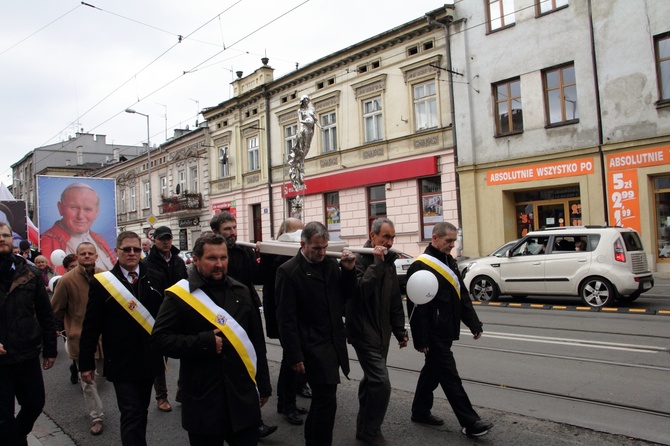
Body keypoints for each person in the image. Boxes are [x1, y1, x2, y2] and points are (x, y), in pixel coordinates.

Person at [152, 232, 272, 446]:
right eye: (211, 258)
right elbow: (160, 339)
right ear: (196, 260)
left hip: (241, 396)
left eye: (223, 258)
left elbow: (256, 341)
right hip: (203, 398)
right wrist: (202, 343)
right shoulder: (179, 296)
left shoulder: (241, 291)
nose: (219, 264)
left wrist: (263, 384)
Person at [406, 222, 493, 437]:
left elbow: (461, 295)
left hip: (447, 328)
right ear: (435, 238)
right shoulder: (421, 266)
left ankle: (419, 410)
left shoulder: (449, 261)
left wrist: (474, 323)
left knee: (432, 372)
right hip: (433, 333)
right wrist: (421, 339)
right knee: (449, 376)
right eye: (448, 241)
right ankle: (470, 422)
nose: (452, 245)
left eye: (454, 241)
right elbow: (416, 307)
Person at [78, 231, 165, 446]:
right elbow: (91, 326)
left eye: (136, 249)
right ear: (117, 251)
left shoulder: (155, 278)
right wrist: (86, 363)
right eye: (127, 249)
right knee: (131, 413)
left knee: (141, 411)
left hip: (148, 359)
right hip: (120, 361)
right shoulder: (103, 283)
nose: (132, 253)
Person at [276, 221, 357, 446]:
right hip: (310, 345)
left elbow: (345, 296)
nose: (322, 252)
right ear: (303, 244)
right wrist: (294, 355)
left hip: (331, 342)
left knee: (324, 401)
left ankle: (313, 440)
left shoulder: (330, 265)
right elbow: (286, 319)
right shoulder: (289, 271)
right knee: (327, 401)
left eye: (324, 247)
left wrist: (349, 271)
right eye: (317, 249)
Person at [209, 211, 277, 438]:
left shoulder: (243, 251)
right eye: (227, 229)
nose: (233, 233)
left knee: (253, 359)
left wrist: (264, 257)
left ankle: (253, 421)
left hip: (247, 312)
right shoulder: (212, 253)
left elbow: (257, 278)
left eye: (234, 228)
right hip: (223, 315)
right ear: (216, 232)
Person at [347, 218, 408, 445]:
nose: (390, 242)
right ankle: (371, 431)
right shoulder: (358, 259)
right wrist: (379, 263)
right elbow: (360, 291)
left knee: (371, 380)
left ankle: (363, 428)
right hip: (363, 333)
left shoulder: (388, 262)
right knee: (381, 382)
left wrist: (400, 331)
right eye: (386, 237)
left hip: (382, 333)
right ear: (372, 236)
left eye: (392, 237)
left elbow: (394, 300)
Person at [0, 221, 58, 446]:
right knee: (3, 417)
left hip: (26, 354)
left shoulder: (30, 273)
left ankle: (16, 436)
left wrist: (50, 350)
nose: (2, 239)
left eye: (5, 235)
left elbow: (45, 314)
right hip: (1, 362)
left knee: (35, 404)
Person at [51, 242, 105, 436]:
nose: (87, 256)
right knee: (88, 382)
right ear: (77, 256)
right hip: (80, 339)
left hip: (104, 339)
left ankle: (94, 407)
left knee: (101, 379)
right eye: (83, 253)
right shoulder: (66, 281)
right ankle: (96, 417)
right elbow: (55, 309)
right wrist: (66, 328)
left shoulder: (105, 277)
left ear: (96, 256)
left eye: (91, 253)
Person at [259, 217, 309, 426]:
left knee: (293, 358)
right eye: (295, 231)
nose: (298, 235)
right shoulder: (276, 253)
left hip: (295, 315)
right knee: (290, 360)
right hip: (285, 316)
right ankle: (286, 404)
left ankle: (290, 398)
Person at [140, 226, 187, 413]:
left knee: (187, 352)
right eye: (162, 239)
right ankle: (161, 396)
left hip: (181, 313)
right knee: (159, 357)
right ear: (154, 240)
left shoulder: (178, 261)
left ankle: (182, 391)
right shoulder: (147, 263)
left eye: (168, 238)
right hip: (158, 315)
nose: (166, 242)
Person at [40, 182, 115, 273]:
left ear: (96, 212)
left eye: (88, 209)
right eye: (74, 208)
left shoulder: (99, 240)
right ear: (61, 208)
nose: (80, 216)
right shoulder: (47, 240)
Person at [288, 95, 321, 190]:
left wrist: (320, 126)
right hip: (304, 128)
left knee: (308, 146)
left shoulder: (311, 110)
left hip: (311, 129)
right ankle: (299, 162)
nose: (306, 101)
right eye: (305, 100)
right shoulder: (300, 111)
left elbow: (315, 120)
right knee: (303, 145)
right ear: (303, 101)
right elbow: (300, 120)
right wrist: (307, 122)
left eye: (307, 100)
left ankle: (300, 161)